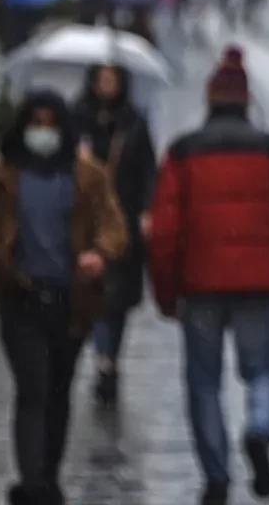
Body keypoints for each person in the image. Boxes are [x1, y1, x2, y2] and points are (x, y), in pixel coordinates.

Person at [147, 46, 269, 505]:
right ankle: (260, 429)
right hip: (259, 282)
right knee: (264, 371)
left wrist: (165, 293)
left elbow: (163, 233)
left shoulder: (182, 153)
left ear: (209, 100)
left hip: (200, 287)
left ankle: (217, 476)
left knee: (203, 383)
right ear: (246, 101)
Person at [0, 91, 128, 505]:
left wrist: (100, 254)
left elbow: (113, 225)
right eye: (34, 123)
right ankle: (33, 481)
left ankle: (48, 475)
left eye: (49, 123)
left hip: (70, 301)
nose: (42, 132)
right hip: (20, 299)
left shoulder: (87, 176)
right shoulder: (2, 178)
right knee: (33, 387)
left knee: (58, 389)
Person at [73, 64, 157, 406]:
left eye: (113, 80)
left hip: (123, 219)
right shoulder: (77, 118)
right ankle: (103, 360)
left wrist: (147, 211)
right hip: (86, 221)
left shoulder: (133, 121)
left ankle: (110, 358)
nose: (107, 86)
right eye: (102, 79)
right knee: (96, 293)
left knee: (117, 299)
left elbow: (148, 169)